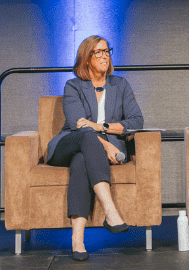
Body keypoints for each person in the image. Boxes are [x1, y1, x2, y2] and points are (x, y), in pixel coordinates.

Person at [45, 35, 143, 262]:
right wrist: (107, 143)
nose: (104, 56)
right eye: (97, 52)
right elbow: (77, 125)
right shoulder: (73, 86)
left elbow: (136, 121)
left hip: (88, 152)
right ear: (86, 58)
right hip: (68, 144)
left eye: (106, 51)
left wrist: (102, 127)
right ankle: (110, 210)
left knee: (81, 161)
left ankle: (77, 240)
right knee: (86, 137)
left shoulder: (120, 85)